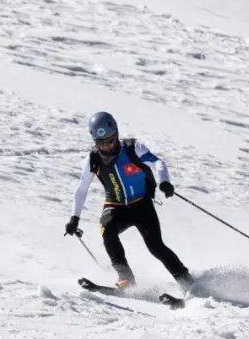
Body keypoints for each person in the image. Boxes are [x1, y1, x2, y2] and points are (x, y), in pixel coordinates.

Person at [64, 111, 193, 291]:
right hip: (115, 205)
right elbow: (82, 188)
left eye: (110, 140)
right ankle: (126, 278)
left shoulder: (132, 148)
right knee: (107, 229)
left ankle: (186, 281)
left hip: (141, 204)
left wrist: (164, 181)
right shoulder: (93, 159)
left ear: (116, 134)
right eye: (101, 143)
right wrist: (74, 218)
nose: (107, 146)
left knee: (155, 247)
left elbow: (158, 163)